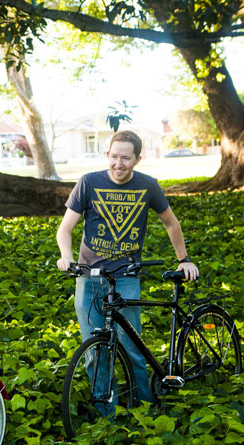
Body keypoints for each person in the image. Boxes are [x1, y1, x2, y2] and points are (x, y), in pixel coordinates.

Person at [56, 130, 198, 410]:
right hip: (90, 277)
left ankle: (143, 406)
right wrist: (66, 256)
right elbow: (65, 228)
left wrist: (184, 259)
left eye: (125, 158)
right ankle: (106, 414)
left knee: (132, 348)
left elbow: (171, 223)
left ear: (137, 159)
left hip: (127, 277)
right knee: (96, 349)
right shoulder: (88, 183)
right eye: (114, 156)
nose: (118, 163)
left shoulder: (148, 186)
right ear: (106, 155)